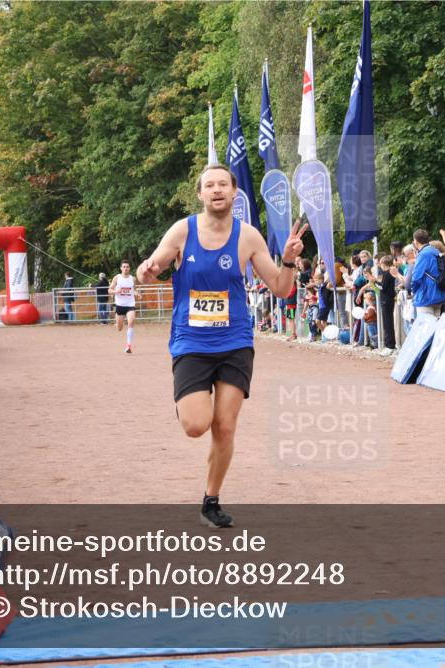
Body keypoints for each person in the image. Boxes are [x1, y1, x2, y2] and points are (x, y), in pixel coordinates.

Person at [136, 164, 307, 528]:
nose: (216, 190)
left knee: (225, 427)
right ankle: (187, 405)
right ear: (200, 194)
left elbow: (280, 288)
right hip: (191, 342)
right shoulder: (183, 230)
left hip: (234, 341)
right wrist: (146, 271)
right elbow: (152, 266)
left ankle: (210, 501)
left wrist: (289, 258)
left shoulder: (248, 237)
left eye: (223, 185)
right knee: (197, 425)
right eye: (209, 185)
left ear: (234, 193)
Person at [409, 228, 445, 317]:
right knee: (436, 327)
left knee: (426, 328)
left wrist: (413, 291)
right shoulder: (436, 252)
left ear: (416, 241)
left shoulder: (423, 254)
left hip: (426, 296)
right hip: (439, 294)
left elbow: (416, 277)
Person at [108, 261, 136, 352]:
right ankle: (118, 322)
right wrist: (116, 291)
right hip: (120, 305)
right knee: (119, 328)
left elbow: (134, 290)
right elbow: (110, 290)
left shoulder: (133, 278)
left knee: (131, 322)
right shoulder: (117, 278)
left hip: (130, 305)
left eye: (127, 267)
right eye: (124, 267)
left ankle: (128, 346)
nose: (125, 268)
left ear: (129, 268)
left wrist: (138, 293)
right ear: (121, 268)